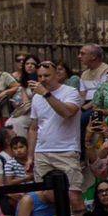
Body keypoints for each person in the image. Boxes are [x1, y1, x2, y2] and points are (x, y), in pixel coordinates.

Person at [27, 56, 85, 192]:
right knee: (43, 195)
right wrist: (30, 156)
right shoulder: (36, 97)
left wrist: (47, 95)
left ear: (57, 75)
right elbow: (33, 128)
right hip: (42, 152)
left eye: (47, 76)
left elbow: (67, 113)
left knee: (73, 193)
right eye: (40, 76)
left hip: (66, 150)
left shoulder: (70, 92)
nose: (42, 80)